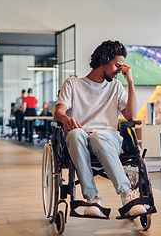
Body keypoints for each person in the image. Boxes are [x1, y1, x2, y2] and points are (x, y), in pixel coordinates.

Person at [54, 40, 147, 217]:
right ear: (103, 60)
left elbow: (130, 116)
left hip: (107, 138)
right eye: (117, 65)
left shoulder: (116, 86)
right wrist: (66, 119)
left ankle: (127, 194)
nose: (119, 70)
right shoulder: (73, 84)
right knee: (74, 134)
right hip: (80, 139)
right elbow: (59, 112)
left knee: (97, 137)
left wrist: (131, 82)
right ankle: (93, 199)